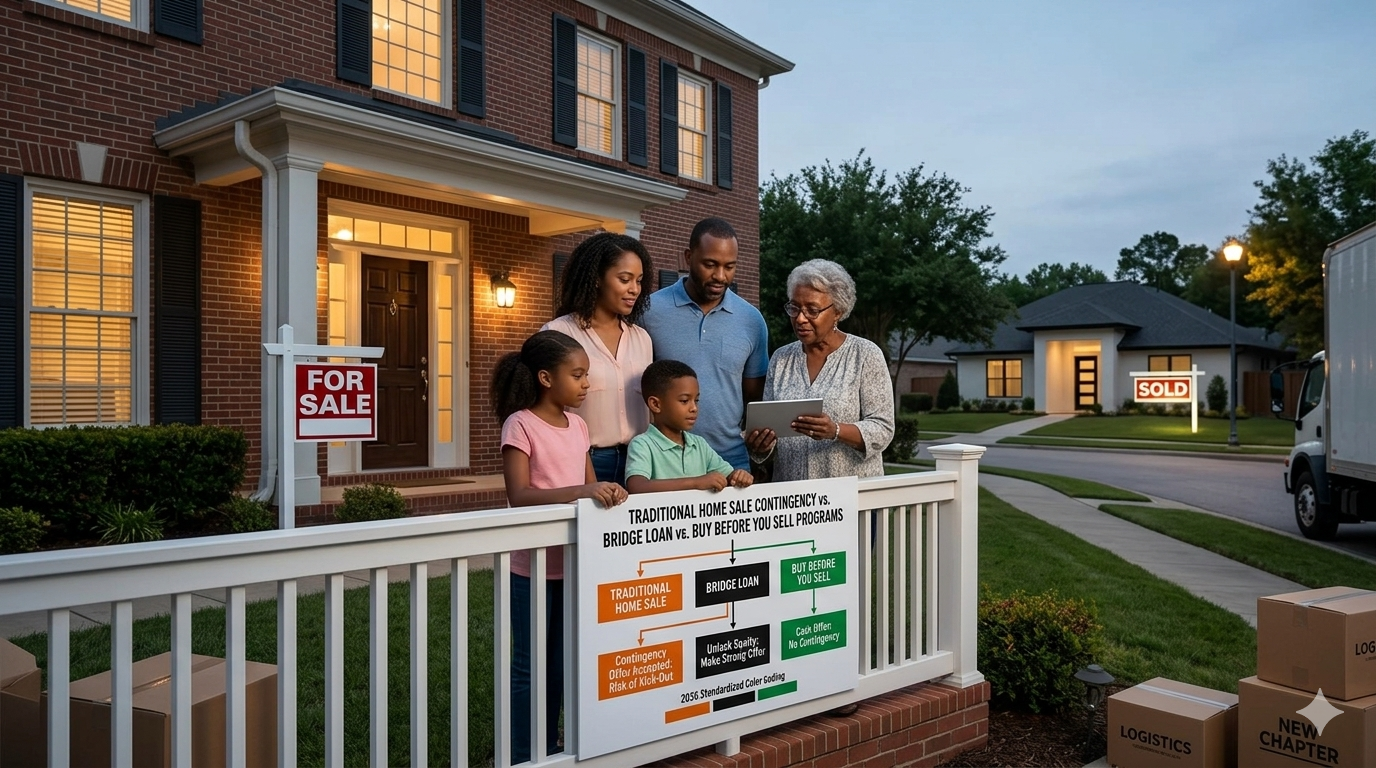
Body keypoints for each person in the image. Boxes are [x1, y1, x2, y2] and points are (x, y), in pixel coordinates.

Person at [491, 329, 626, 763]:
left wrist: (606, 492)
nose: (587, 384)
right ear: (547, 378)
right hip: (531, 568)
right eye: (579, 375)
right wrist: (583, 492)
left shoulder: (579, 424)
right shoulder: (521, 424)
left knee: (562, 662)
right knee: (529, 666)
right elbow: (520, 495)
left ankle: (551, 747)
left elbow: (589, 485)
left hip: (572, 564)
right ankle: (522, 753)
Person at [745, 258, 894, 482]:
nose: (800, 318)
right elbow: (770, 435)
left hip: (852, 498)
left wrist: (835, 430)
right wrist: (761, 446)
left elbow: (883, 428)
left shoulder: (865, 354)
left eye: (812, 310)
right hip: (794, 500)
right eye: (794, 307)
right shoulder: (781, 359)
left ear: (838, 311)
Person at [640, 217, 768, 472]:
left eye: (729, 267)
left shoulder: (752, 320)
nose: (720, 276)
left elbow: (755, 399)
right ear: (688, 257)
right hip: (665, 462)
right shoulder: (649, 311)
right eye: (710, 265)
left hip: (731, 461)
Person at [544, 232, 654, 485]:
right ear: (596, 279)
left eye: (639, 280)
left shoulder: (642, 339)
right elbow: (544, 410)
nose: (634, 289)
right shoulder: (559, 334)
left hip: (639, 464)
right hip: (583, 462)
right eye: (624, 279)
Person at [625, 360, 754, 494]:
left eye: (696, 400)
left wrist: (738, 476)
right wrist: (695, 483)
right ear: (656, 404)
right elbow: (637, 486)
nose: (694, 408)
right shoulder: (643, 445)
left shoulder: (699, 444)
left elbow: (728, 476)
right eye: (684, 401)